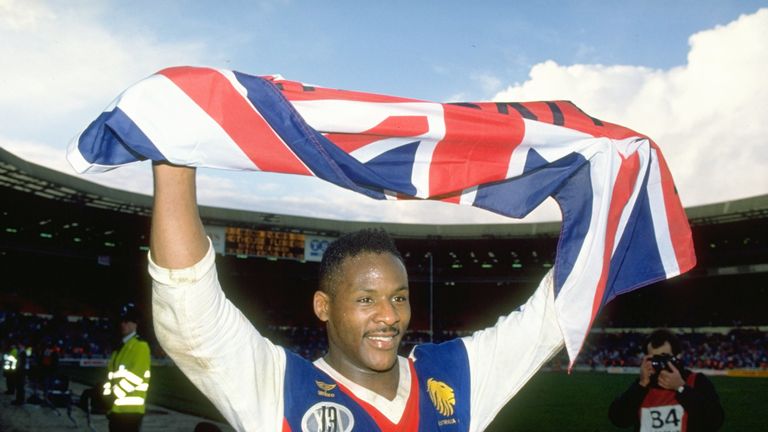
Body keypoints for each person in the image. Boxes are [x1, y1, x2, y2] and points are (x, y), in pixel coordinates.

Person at [149, 163, 564, 431]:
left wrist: (603, 200)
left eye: (399, 298)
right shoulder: (282, 389)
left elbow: (552, 313)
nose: (388, 316)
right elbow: (191, 311)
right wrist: (174, 166)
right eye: (366, 300)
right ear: (323, 307)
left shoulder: (455, 375)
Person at [608, 329, 724, 431]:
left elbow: (714, 421)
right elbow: (619, 420)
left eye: (664, 357)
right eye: (654, 359)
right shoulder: (643, 385)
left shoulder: (696, 381)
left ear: (677, 356)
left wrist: (681, 388)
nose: (659, 364)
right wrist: (641, 385)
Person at [102, 303, 151, 432]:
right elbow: (110, 377)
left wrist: (112, 396)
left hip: (130, 411)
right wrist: (105, 397)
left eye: (127, 321)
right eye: (122, 321)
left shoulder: (140, 346)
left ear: (136, 324)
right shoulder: (118, 348)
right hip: (115, 410)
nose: (123, 324)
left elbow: (136, 376)